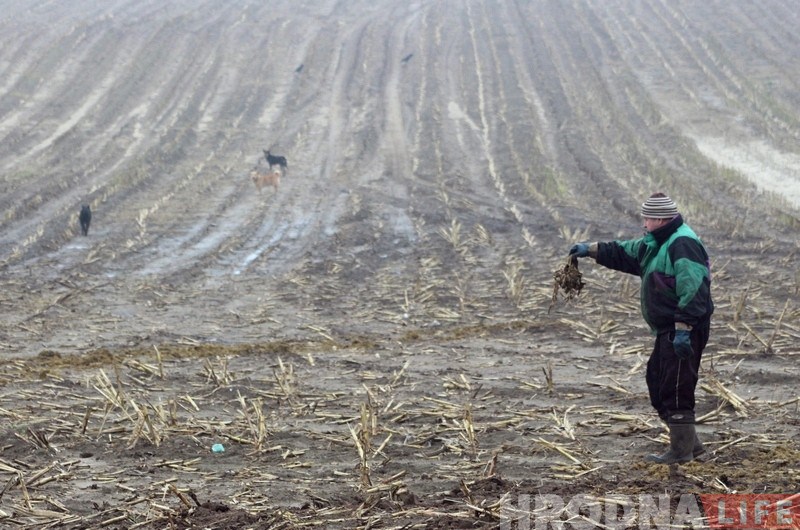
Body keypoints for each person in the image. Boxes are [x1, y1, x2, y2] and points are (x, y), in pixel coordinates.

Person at [569, 192, 713, 464]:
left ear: (660, 219)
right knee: (658, 382)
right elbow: (625, 252)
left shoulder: (682, 243)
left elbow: (694, 288)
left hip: (684, 328)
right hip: (667, 328)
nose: (644, 223)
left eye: (647, 218)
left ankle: (681, 453)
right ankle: (692, 447)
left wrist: (684, 328)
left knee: (677, 387)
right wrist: (590, 249)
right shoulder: (656, 243)